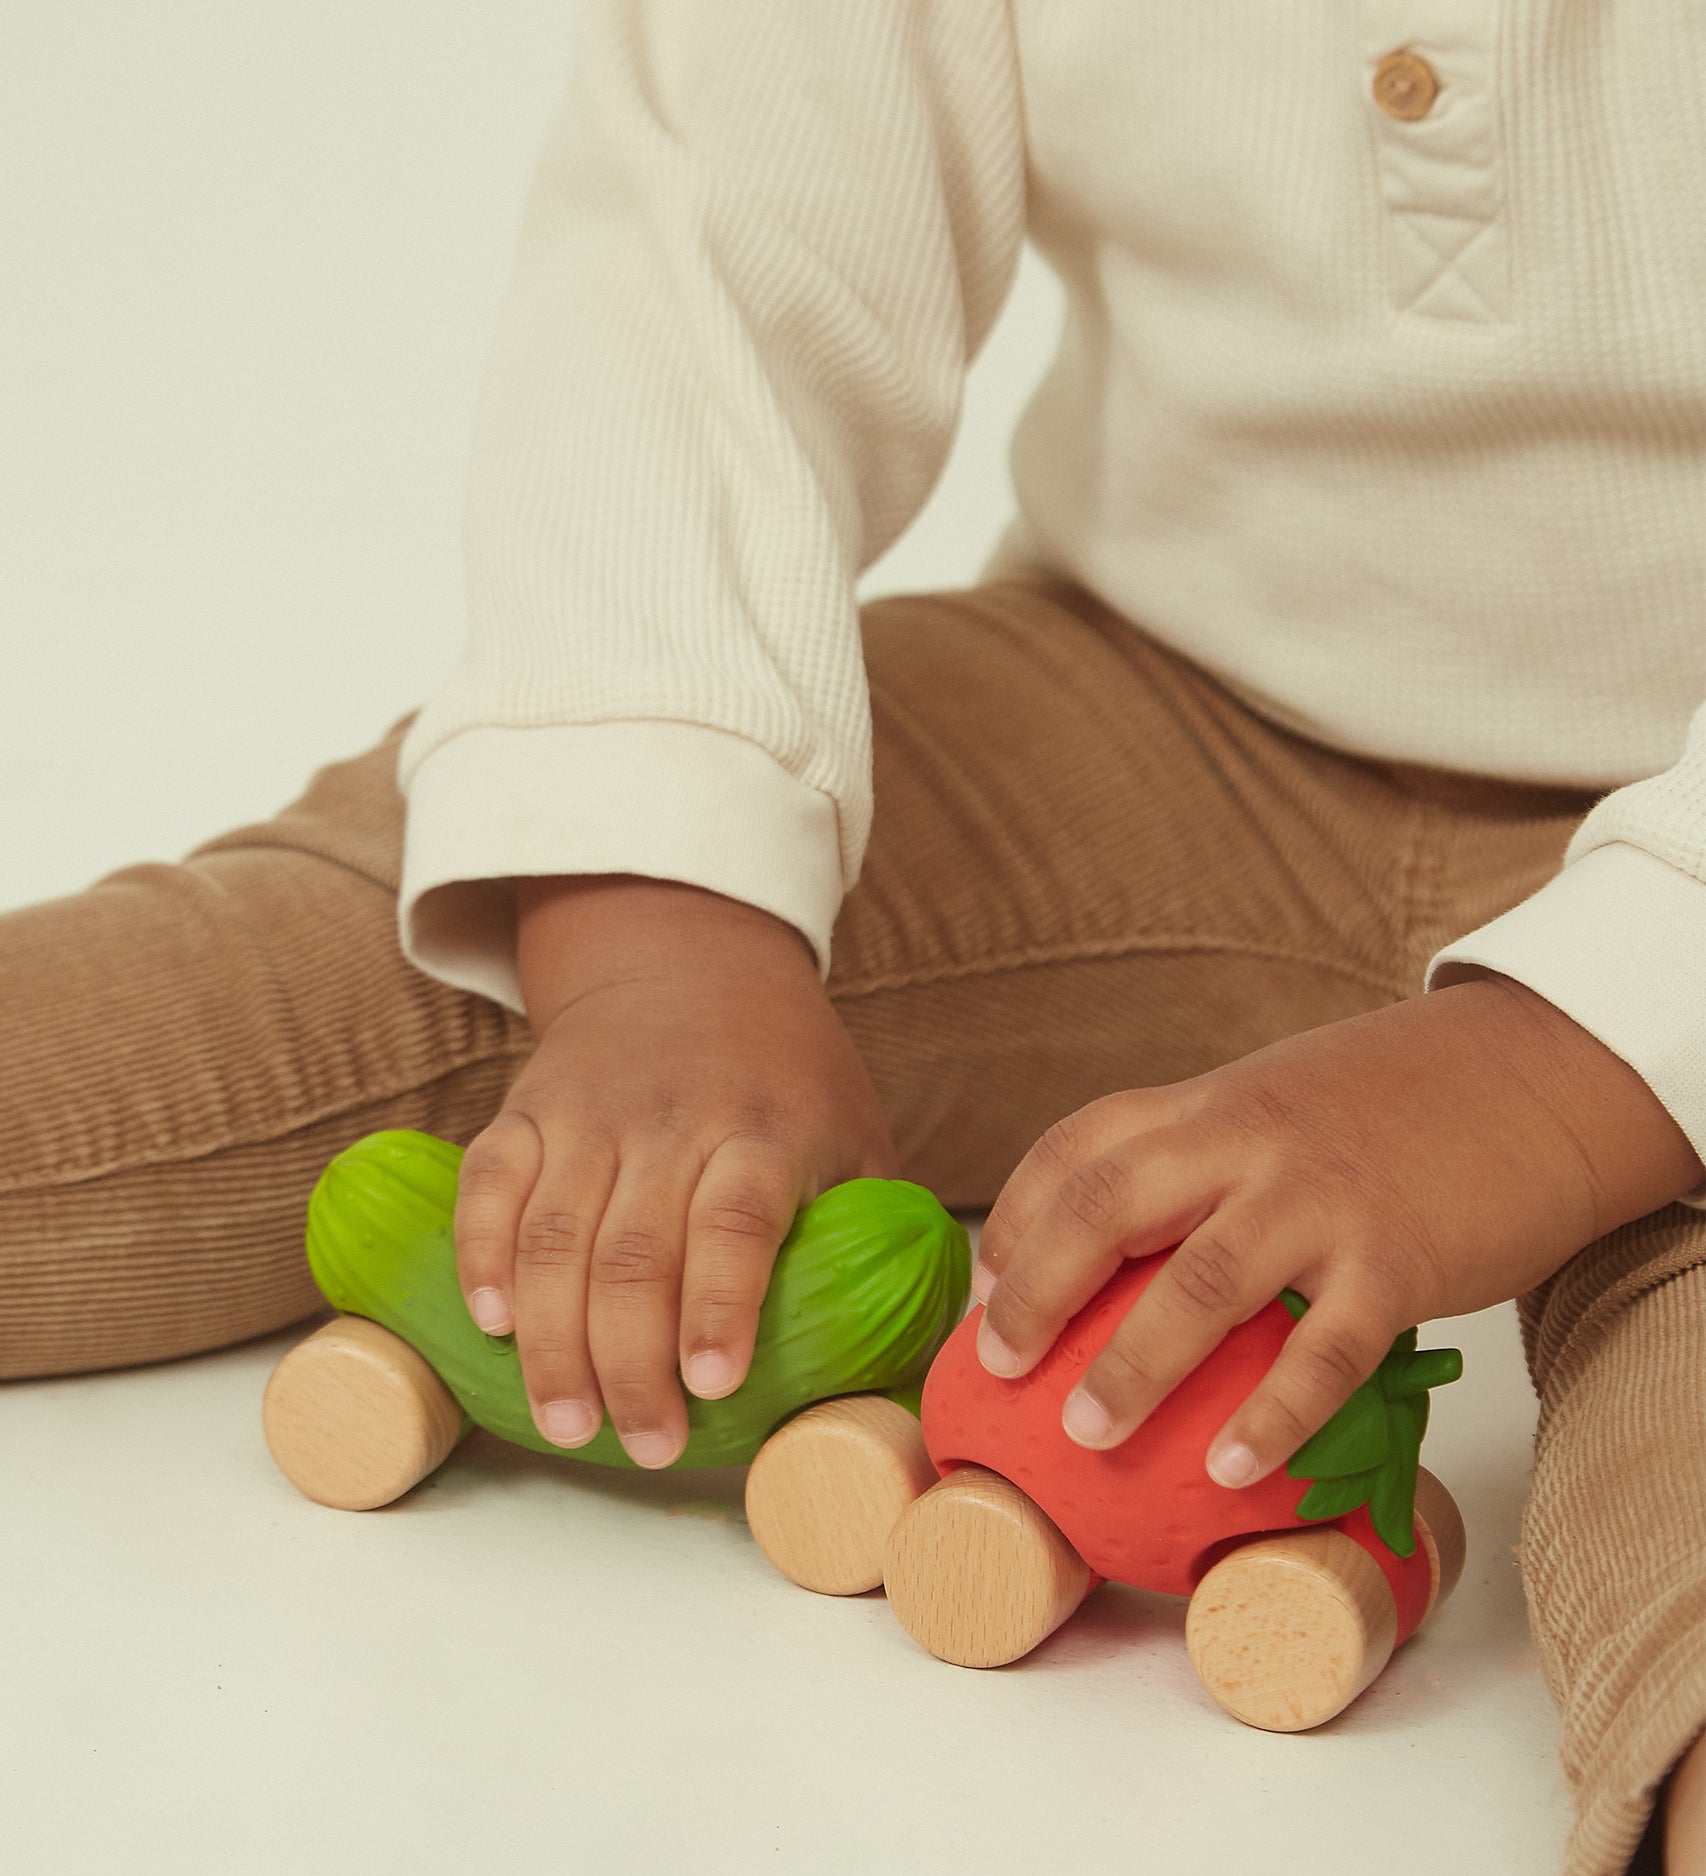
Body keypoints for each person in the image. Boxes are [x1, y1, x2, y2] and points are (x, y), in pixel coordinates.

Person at [2, 5, 1703, 1870]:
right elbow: (707, 255)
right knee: (268, 996)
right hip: (1151, 708)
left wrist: (1570, 1057)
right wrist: (661, 930)